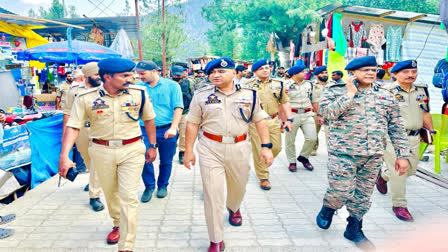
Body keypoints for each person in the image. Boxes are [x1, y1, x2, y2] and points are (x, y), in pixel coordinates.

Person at [59, 58, 157, 252]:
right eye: (125, 75)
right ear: (107, 77)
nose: (131, 78)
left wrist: (152, 145)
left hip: (131, 149)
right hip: (101, 150)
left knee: (128, 196)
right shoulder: (86, 97)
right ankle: (118, 223)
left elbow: (149, 120)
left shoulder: (140, 94)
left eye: (130, 74)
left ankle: (126, 245)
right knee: (111, 193)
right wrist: (64, 155)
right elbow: (73, 126)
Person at [315, 56, 411, 250]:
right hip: (343, 152)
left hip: (373, 154)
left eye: (373, 70)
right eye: (365, 69)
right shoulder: (335, 91)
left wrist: (402, 155)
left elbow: (396, 126)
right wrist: (349, 95)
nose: (370, 73)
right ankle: (329, 207)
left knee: (363, 196)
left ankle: (354, 228)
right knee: (340, 191)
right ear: (353, 72)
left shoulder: (386, 94)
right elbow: (326, 114)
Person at [183, 58, 273, 252]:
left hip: (239, 147)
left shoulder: (250, 94)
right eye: (212, 72)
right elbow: (192, 123)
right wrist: (188, 150)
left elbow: (260, 120)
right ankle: (216, 239)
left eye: (221, 71)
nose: (215, 75)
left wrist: (266, 146)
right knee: (212, 194)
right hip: (209, 147)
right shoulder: (201, 95)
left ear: (233, 73)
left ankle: (234, 206)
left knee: (238, 187)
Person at [376, 60, 434, 221]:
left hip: (415, 137)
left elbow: (425, 113)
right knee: (399, 172)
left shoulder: (421, 90)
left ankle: (383, 177)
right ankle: (399, 205)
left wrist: (430, 132)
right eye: (406, 72)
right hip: (393, 138)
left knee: (410, 170)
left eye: (413, 72)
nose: (410, 75)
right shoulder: (386, 91)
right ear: (395, 74)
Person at [136, 61, 183, 202]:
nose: (140, 77)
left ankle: (163, 185)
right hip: (143, 129)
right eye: (138, 74)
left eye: (142, 74)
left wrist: (174, 127)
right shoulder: (138, 88)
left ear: (154, 71)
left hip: (166, 129)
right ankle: (149, 186)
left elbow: (178, 107)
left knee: (166, 160)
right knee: (144, 159)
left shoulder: (172, 86)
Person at [245, 59, 293, 190]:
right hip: (255, 122)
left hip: (273, 120)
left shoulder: (279, 83)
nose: (265, 70)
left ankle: (262, 162)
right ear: (255, 72)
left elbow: (284, 102)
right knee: (260, 148)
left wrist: (288, 119)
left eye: (267, 68)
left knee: (276, 147)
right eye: (262, 68)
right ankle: (263, 177)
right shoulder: (248, 85)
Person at [62, 63, 104, 212]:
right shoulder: (73, 91)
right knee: (88, 160)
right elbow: (67, 114)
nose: (99, 77)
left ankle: (94, 195)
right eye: (96, 75)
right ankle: (95, 181)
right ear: (86, 76)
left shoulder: (105, 89)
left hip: (100, 129)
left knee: (96, 161)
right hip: (81, 130)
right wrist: (65, 137)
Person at [285, 65, 317, 172]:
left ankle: (303, 157)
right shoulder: (285, 85)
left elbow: (314, 100)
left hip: (307, 114)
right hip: (292, 115)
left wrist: (319, 114)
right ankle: (292, 162)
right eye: (302, 71)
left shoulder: (309, 84)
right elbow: (282, 102)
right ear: (295, 74)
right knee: (290, 140)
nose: (305, 73)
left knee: (312, 138)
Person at [170, 65, 193, 165]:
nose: (177, 77)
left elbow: (192, 96)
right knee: (171, 134)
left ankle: (182, 152)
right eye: (175, 75)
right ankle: (171, 150)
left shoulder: (188, 83)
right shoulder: (168, 84)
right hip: (171, 113)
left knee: (184, 133)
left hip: (184, 112)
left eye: (179, 75)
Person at [310, 65, 329, 156]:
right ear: (316, 75)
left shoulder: (332, 84)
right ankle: (313, 148)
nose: (325, 74)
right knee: (314, 132)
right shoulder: (311, 85)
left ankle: (331, 150)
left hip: (329, 112)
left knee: (330, 132)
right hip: (315, 112)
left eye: (326, 72)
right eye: (322, 73)